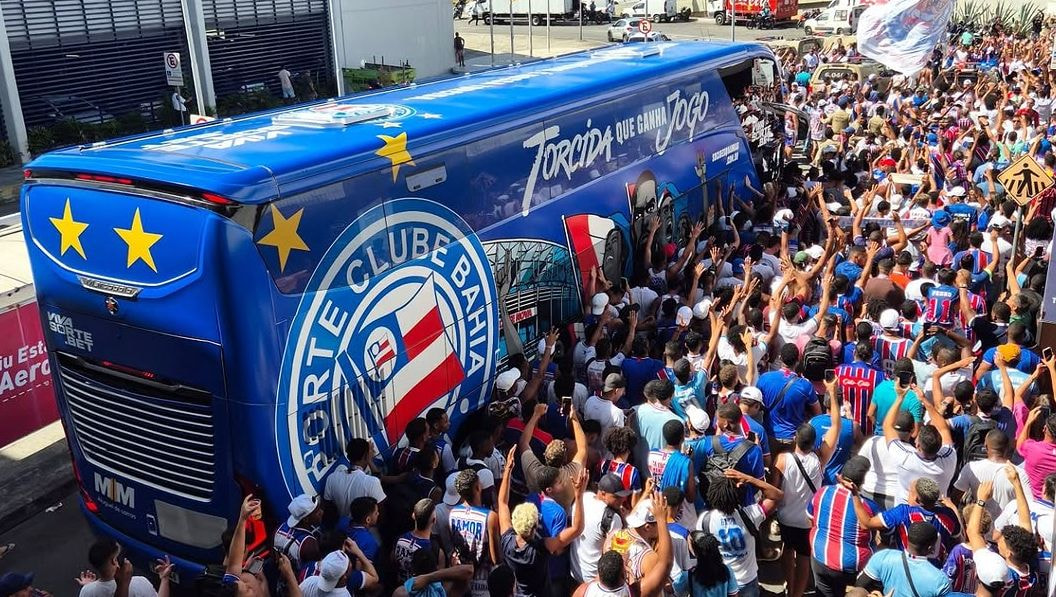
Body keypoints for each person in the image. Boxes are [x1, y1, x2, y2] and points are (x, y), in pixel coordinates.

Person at [696, 470, 784, 597]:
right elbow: (778, 495)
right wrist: (749, 478)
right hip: (747, 580)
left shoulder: (705, 520)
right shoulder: (751, 515)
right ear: (737, 495)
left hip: (722, 581)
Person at [808, 456, 878, 597]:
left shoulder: (822, 492)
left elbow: (811, 519)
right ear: (863, 481)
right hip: (850, 568)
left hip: (819, 556)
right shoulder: (869, 507)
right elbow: (881, 535)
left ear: (841, 475)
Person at [856, 522, 952, 597]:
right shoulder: (940, 580)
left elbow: (859, 585)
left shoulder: (883, 557)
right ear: (930, 548)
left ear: (907, 540)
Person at [448, 469, 499, 596]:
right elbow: (495, 558)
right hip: (484, 582)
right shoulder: (490, 517)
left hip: (461, 579)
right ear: (478, 487)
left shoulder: (453, 513)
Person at [571, 473, 629, 584]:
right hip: (595, 580)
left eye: (622, 496)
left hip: (574, 573)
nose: (622, 500)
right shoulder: (613, 518)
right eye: (617, 497)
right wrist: (624, 521)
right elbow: (618, 553)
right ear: (603, 493)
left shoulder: (584, 497)